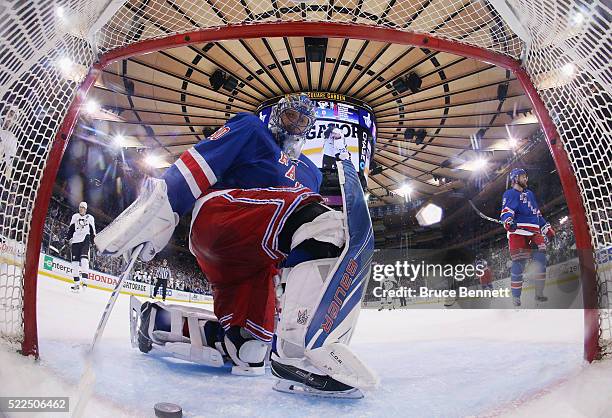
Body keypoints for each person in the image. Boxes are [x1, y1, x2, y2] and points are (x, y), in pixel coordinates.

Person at [96, 94, 377, 398]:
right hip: (223, 220)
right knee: (326, 225)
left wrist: (287, 299)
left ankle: (155, 323)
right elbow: (200, 164)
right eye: (289, 117)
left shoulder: (311, 172)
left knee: (252, 350)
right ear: (276, 117)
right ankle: (302, 356)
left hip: (255, 260)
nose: (295, 125)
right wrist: (163, 207)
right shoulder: (251, 128)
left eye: (303, 121)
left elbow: (297, 250)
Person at [500, 168, 555, 306]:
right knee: (519, 264)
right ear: (515, 179)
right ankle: (516, 296)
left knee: (541, 259)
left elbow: (537, 213)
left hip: (534, 231)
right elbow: (506, 212)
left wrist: (546, 228)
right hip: (517, 233)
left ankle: (539, 293)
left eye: (526, 177)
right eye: (523, 176)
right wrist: (508, 221)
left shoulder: (530, 194)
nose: (526, 179)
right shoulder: (510, 194)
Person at [66, 201, 96, 292]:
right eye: (80, 207)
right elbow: (71, 228)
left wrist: (93, 241)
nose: (81, 209)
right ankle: (76, 284)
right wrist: (67, 238)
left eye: (83, 207)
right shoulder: (75, 217)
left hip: (85, 240)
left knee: (84, 260)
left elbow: (92, 230)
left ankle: (85, 282)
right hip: (75, 241)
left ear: (86, 209)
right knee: (74, 263)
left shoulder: (90, 218)